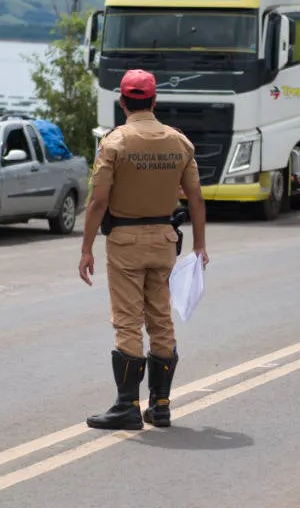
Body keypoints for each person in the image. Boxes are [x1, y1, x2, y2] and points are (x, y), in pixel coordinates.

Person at [79, 68, 208, 431]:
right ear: (153, 101)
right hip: (164, 242)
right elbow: (196, 197)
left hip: (125, 243)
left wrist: (86, 247)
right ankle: (161, 405)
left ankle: (127, 407)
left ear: (123, 102)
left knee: (127, 322)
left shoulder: (115, 143)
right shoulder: (179, 143)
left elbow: (98, 201)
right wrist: (199, 246)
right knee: (161, 320)